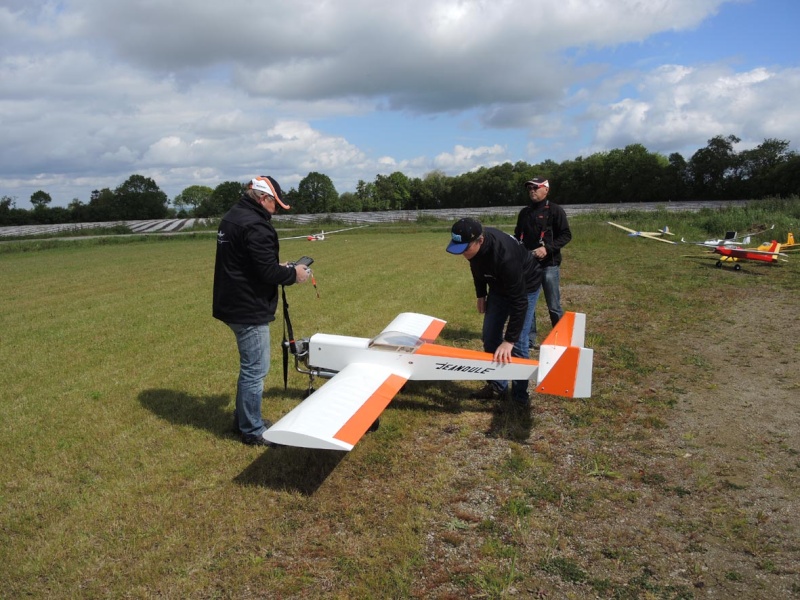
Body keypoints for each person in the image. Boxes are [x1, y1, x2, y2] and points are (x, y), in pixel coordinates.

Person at [213, 176, 311, 446]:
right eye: (274, 203)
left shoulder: (233, 216)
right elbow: (267, 272)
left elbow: (250, 261)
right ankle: (252, 430)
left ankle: (243, 419)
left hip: (231, 300)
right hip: (247, 305)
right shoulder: (256, 225)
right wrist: (294, 274)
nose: (276, 209)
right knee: (255, 369)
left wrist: (275, 265)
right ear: (263, 198)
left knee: (251, 368)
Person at [446, 217, 542, 408]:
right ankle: (497, 385)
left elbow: (519, 302)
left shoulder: (505, 256)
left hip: (525, 286)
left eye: (465, 248)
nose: (462, 253)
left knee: (519, 344)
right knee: (490, 336)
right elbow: (477, 267)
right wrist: (481, 294)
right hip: (498, 287)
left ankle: (520, 397)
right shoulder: (474, 250)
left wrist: (509, 340)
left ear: (479, 241)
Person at [514, 177, 572, 349]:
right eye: (529, 188)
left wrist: (547, 248)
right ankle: (528, 340)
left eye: (535, 188)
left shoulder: (555, 211)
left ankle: (561, 341)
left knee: (553, 305)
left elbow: (566, 235)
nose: (532, 191)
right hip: (528, 265)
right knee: (527, 304)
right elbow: (518, 236)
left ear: (546, 189)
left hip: (549, 264)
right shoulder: (524, 212)